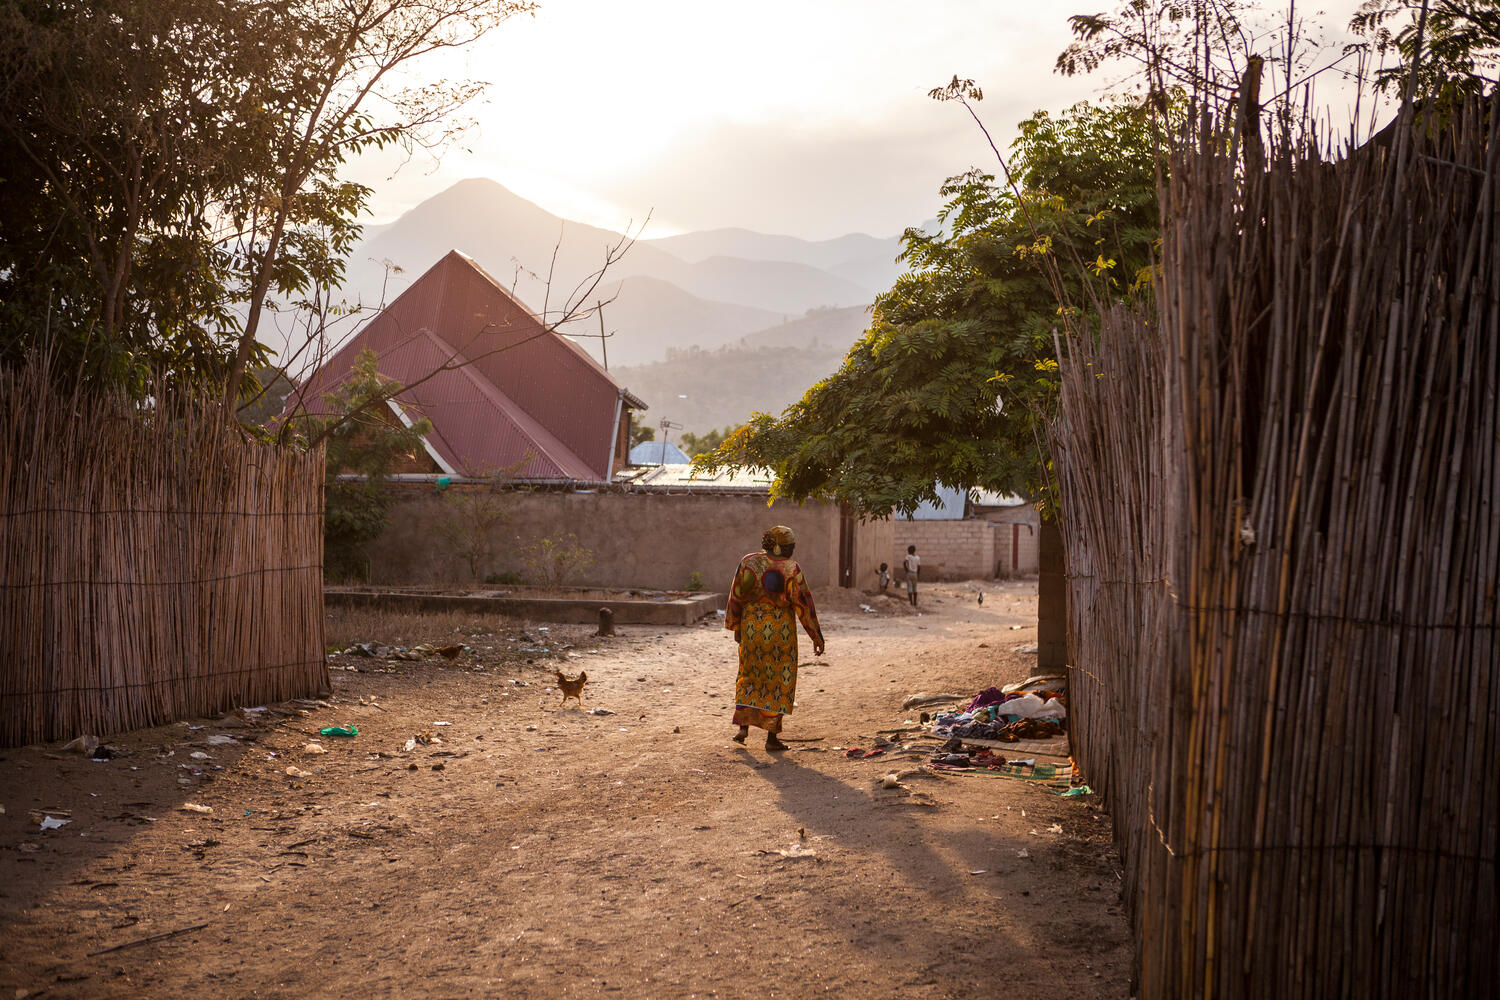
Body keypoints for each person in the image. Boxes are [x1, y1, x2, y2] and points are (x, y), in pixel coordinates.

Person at [725, 524, 825, 752]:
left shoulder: (748, 562)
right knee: (779, 681)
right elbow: (804, 604)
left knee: (749, 674)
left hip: (751, 627)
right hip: (780, 631)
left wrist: (737, 626)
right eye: (790, 546)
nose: (793, 549)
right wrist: (816, 635)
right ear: (780, 546)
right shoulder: (791, 569)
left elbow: (736, 595)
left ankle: (743, 727)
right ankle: (771, 738)